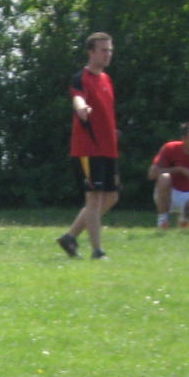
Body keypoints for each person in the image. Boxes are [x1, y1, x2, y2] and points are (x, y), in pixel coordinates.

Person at [58, 32, 119, 259]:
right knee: (94, 198)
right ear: (91, 52)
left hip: (108, 149)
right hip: (88, 149)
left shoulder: (107, 79)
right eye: (103, 50)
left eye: (110, 50)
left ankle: (70, 237)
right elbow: (77, 98)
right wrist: (81, 108)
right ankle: (97, 250)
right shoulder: (80, 78)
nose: (107, 54)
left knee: (111, 197)